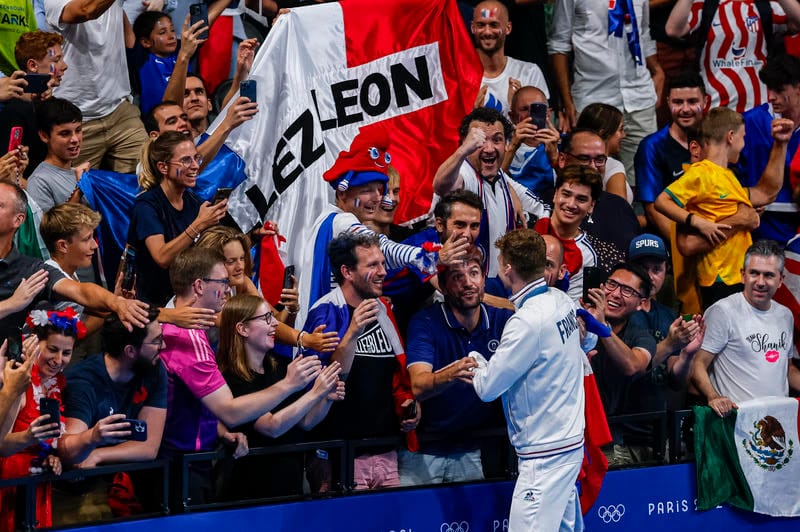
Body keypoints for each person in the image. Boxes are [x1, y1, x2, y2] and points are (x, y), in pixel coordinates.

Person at [158, 248, 321, 502]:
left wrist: (220, 431)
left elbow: (193, 402)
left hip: (181, 459)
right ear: (199, 286)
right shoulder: (189, 339)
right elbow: (231, 411)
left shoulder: (175, 328)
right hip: (181, 464)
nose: (228, 287)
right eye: (222, 281)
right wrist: (290, 384)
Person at [472, 229, 585, 531]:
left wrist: (475, 361)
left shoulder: (526, 322)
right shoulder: (562, 300)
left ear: (507, 268)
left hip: (544, 457)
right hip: (569, 444)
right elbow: (585, 344)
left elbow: (486, 388)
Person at [303, 232, 419, 491]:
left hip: (386, 452)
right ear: (347, 271)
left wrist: (408, 406)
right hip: (343, 455)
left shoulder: (383, 311)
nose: (382, 272)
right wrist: (352, 332)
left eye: (382, 263)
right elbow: (317, 386)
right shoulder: (326, 312)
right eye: (372, 265)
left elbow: (394, 374)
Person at [654, 107, 792, 308]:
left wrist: (781, 144)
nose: (744, 145)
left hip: (736, 273)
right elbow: (662, 201)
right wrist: (698, 222)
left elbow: (765, 193)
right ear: (730, 137)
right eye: (743, 137)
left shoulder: (728, 176)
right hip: (718, 277)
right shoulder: (700, 172)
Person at [402, 247, 512, 486]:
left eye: (474, 273)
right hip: (424, 451)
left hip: (473, 447)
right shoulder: (426, 321)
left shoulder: (502, 320)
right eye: (457, 277)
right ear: (442, 284)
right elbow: (419, 385)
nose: (468, 283)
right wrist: (449, 375)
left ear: (484, 279)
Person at [217, 294, 345, 499]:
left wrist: (326, 397)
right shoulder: (230, 377)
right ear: (242, 329)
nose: (276, 323)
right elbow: (271, 427)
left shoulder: (279, 367)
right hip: (250, 489)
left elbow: (305, 421)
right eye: (266, 318)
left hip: (289, 485)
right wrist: (315, 393)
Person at [0, 182, 149, 343]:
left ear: (18, 219)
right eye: (86, 239)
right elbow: (66, 338)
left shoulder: (34, 271)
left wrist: (116, 302)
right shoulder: (47, 270)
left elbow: (82, 293)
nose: (94, 245)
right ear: (63, 245)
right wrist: (12, 304)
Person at [433, 107, 550, 295]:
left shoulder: (503, 178)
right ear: (466, 143)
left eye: (497, 140)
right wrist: (463, 151)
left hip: (500, 288)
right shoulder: (463, 173)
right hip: (462, 293)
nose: (489, 148)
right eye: (479, 141)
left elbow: (543, 210)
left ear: (506, 144)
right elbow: (440, 186)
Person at [549, 0, 665, 184]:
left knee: (643, 179)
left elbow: (644, 34)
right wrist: (566, 101)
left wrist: (657, 69)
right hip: (593, 99)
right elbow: (559, 45)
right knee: (588, 178)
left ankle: (634, 214)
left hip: (639, 97)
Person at [692, 240, 800, 417]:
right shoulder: (723, 311)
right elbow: (698, 363)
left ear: (781, 280)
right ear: (743, 275)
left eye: (768, 275)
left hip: (779, 419)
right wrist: (713, 397)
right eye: (754, 273)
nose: (760, 282)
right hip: (737, 424)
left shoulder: (785, 315)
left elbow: (788, 370)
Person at [194, 226, 339, 354]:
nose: (240, 267)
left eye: (242, 258)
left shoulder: (242, 282)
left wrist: (290, 308)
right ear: (210, 263)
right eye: (231, 261)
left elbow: (272, 320)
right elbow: (259, 325)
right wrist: (304, 339)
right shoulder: (205, 294)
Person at [44, 0, 150, 173]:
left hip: (119, 111)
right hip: (75, 121)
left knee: (146, 180)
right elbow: (86, 10)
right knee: (76, 195)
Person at [0, 309, 82, 529]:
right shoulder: (19, 382)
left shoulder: (57, 386)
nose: (58, 360)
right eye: (53, 349)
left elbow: (47, 441)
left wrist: (51, 456)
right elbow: (1, 444)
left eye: (66, 353)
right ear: (35, 344)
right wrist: (28, 437)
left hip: (36, 484)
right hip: (10, 484)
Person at [127, 131, 228, 306]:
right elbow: (162, 257)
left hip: (188, 300)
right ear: (163, 167)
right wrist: (199, 224)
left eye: (197, 158)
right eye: (186, 160)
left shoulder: (194, 202)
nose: (196, 166)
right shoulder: (147, 206)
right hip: (152, 308)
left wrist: (257, 235)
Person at [665, 0, 800, 113]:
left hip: (759, 106)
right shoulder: (703, 5)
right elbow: (673, 30)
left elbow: (797, 22)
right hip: (716, 107)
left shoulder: (766, 5)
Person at [635, 71, 709, 239]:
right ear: (668, 102)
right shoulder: (651, 147)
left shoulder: (717, 141)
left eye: (692, 101)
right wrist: (683, 246)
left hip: (714, 235)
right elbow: (653, 209)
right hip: (674, 242)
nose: (685, 109)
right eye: (677, 102)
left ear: (705, 101)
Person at [738, 54, 800, 245]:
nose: (771, 96)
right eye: (769, 89)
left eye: (780, 90)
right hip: (758, 228)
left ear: (799, 88)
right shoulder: (748, 122)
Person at [0, 30, 68, 179]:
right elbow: (9, 173)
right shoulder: (16, 110)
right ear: (32, 65)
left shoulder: (49, 104)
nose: (64, 66)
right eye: (56, 60)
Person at [533, 164, 601, 303]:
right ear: (555, 194)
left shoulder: (587, 256)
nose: (571, 204)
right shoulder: (532, 214)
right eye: (566, 194)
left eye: (581, 199)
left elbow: (572, 307)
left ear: (591, 206)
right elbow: (502, 179)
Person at [470, 1, 549, 116]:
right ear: (473, 28)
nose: (487, 32)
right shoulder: (460, 76)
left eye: (494, 25)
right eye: (481, 25)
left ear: (508, 28)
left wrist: (517, 108)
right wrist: (473, 114)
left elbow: (540, 127)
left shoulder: (529, 73)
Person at [26, 97, 87, 214]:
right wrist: (80, 189)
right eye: (65, 133)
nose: (75, 139)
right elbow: (48, 230)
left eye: (78, 130)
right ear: (44, 136)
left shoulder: (78, 173)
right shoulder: (39, 182)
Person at [502, 86, 560, 203]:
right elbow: (491, 181)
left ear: (548, 114)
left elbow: (574, 187)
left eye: (537, 109)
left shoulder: (562, 144)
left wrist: (554, 158)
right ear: (512, 116)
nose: (531, 115)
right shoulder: (500, 144)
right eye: (524, 109)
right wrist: (513, 146)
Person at [576, 103, 634, 204]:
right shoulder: (613, 167)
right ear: (603, 134)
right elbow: (619, 214)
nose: (624, 135)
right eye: (620, 130)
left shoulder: (571, 160)